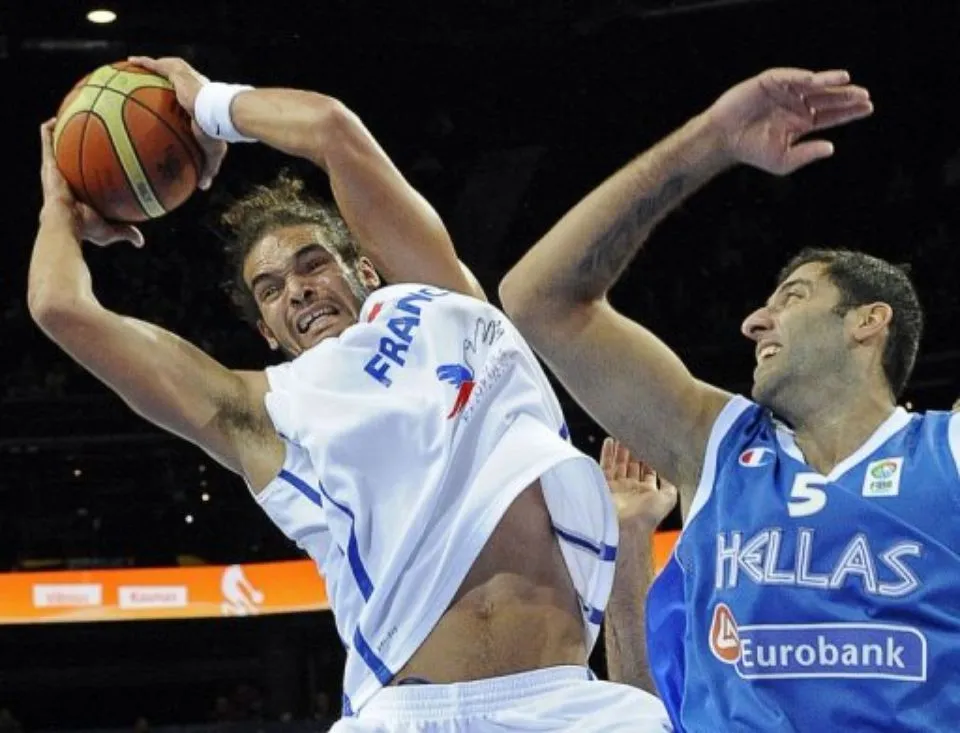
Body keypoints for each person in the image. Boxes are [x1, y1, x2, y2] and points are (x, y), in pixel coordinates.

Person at [28, 56, 669, 731]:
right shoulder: (265, 411)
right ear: (267, 331)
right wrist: (60, 211)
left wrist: (212, 106)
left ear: (365, 270)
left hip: (568, 705)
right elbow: (59, 307)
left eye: (312, 264)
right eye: (270, 289)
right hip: (408, 715)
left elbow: (331, 128)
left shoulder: (442, 303)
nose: (297, 289)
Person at [500, 66, 960, 731]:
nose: (754, 322)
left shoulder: (946, 450)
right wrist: (710, 140)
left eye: (793, 297)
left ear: (868, 321)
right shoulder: (715, 442)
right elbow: (538, 300)